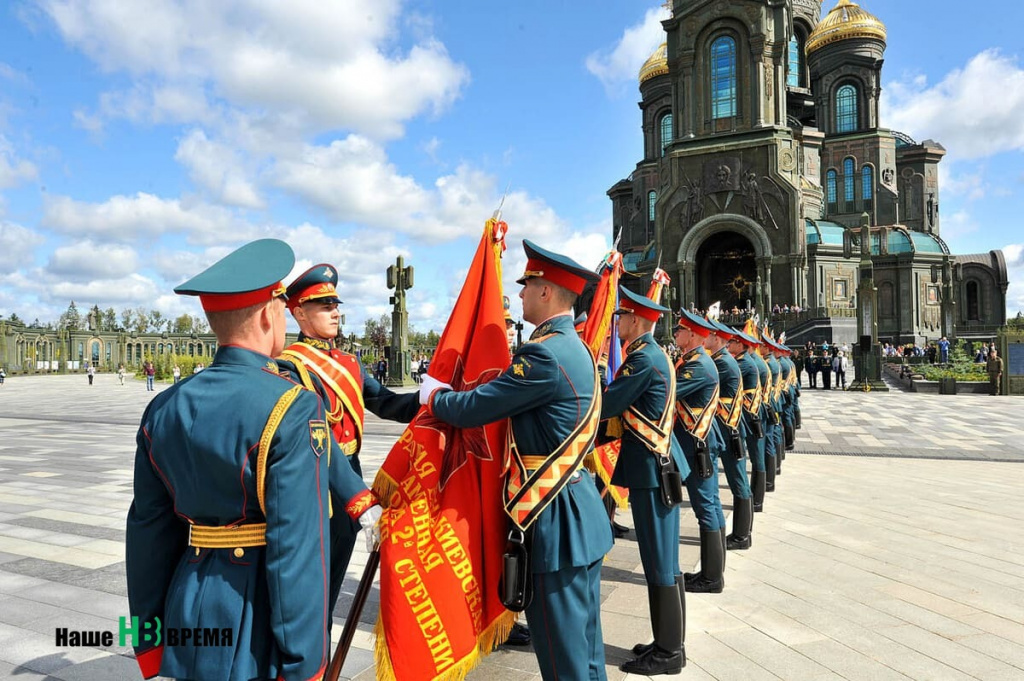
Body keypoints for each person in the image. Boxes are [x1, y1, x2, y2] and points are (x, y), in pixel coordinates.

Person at [125, 239, 382, 681]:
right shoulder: (293, 407)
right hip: (257, 616)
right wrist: (306, 664)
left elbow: (146, 534)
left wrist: (147, 638)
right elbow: (297, 549)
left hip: (186, 603)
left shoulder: (162, 407)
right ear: (269, 314)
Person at [421, 240, 613, 680]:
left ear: (546, 292)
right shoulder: (577, 346)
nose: (520, 294)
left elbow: (476, 407)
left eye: (527, 286)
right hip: (577, 511)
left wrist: (435, 397)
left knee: (564, 660)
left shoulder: (544, 353)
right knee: (585, 653)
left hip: (553, 521)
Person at [278, 263, 419, 620]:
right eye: (325, 306)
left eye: (336, 306)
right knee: (310, 586)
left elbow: (387, 403)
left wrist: (433, 397)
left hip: (349, 478)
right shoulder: (288, 367)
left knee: (335, 573)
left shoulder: (349, 362)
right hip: (310, 482)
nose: (335, 313)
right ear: (299, 313)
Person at [599, 287, 687, 674]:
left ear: (635, 321)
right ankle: (668, 643)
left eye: (621, 317)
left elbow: (607, 404)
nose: (617, 323)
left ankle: (668, 653)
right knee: (664, 561)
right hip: (658, 469)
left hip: (651, 475)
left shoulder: (642, 361)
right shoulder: (654, 355)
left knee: (659, 564)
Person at [673, 309, 727, 594]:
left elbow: (670, 393)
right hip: (700, 444)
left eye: (679, 330)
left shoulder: (697, 366)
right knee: (711, 506)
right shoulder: (697, 361)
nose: (675, 335)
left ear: (692, 335)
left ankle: (711, 577)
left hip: (697, 447)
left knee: (706, 508)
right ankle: (712, 572)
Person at [706, 318, 753, 554]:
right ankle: (742, 533)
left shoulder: (722, 363)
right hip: (728, 429)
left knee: (738, 481)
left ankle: (742, 535)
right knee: (738, 481)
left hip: (729, 430)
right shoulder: (723, 360)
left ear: (717, 339)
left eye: (708, 335)